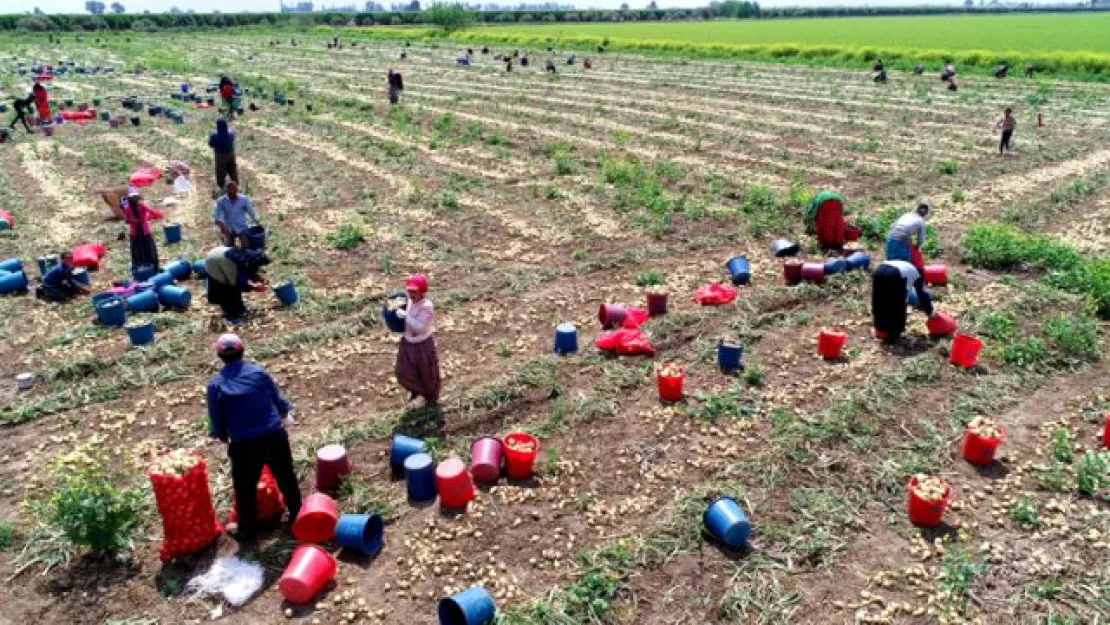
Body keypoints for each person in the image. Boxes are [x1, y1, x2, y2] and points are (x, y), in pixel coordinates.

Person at [207, 333, 302, 544]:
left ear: (220, 356)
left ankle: (248, 533)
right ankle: (298, 516)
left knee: (245, 489)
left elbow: (216, 420)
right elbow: (278, 400)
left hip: (244, 445)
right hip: (273, 436)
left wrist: (222, 435)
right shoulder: (259, 373)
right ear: (242, 351)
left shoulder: (215, 385)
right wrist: (284, 415)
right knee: (286, 477)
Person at [394, 274, 441, 407]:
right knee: (402, 371)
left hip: (422, 345)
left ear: (422, 292)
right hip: (407, 343)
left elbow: (420, 327)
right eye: (409, 291)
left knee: (427, 373)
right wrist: (390, 307)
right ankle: (416, 389)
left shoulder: (427, 306)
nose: (411, 294)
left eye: (414, 291)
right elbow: (393, 305)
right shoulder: (408, 301)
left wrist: (406, 316)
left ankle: (431, 398)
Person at [872, 259, 933, 342]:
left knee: (879, 301)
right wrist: (930, 312)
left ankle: (880, 329)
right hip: (895, 274)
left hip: (879, 270)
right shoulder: (918, 274)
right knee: (896, 304)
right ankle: (893, 333)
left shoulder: (908, 266)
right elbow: (922, 294)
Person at [204, 245, 269, 323]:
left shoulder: (248, 257)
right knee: (227, 290)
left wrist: (256, 278)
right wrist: (253, 287)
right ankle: (231, 315)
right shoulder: (235, 265)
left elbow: (249, 272)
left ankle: (240, 309)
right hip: (213, 263)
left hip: (220, 255)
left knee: (233, 288)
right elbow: (238, 284)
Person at [122, 188, 162, 272]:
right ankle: (140, 270)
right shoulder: (127, 208)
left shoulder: (141, 205)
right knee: (138, 252)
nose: (135, 199)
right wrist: (133, 220)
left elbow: (152, 212)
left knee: (149, 250)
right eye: (133, 197)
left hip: (145, 231)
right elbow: (126, 220)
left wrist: (157, 214)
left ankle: (154, 268)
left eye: (136, 197)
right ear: (129, 198)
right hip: (135, 233)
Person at [213, 181, 258, 248]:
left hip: (241, 227)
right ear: (227, 192)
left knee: (246, 247)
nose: (232, 196)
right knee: (228, 249)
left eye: (234, 193)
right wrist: (223, 227)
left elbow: (251, 212)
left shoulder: (243, 199)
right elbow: (217, 218)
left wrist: (257, 221)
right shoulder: (221, 201)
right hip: (229, 229)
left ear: (237, 191)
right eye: (230, 193)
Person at [885, 202, 930, 269]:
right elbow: (921, 239)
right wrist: (916, 247)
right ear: (926, 214)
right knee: (903, 264)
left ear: (916, 209)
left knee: (890, 262)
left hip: (890, 238)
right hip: (901, 239)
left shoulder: (907, 215)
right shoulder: (920, 221)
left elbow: (892, 226)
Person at [208, 117, 238, 189]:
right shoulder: (231, 133)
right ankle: (235, 184)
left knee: (220, 171)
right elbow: (233, 139)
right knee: (232, 169)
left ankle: (221, 186)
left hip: (220, 155)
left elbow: (211, 144)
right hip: (231, 153)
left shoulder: (214, 135)